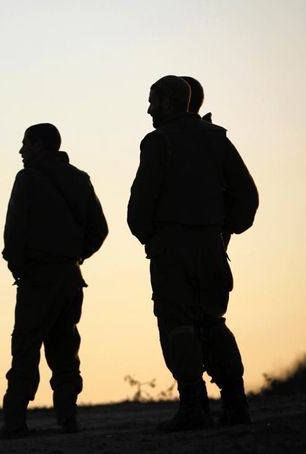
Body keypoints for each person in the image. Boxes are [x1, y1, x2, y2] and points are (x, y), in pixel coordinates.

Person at [128, 76, 259, 431]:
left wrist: (149, 235)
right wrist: (223, 230)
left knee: (178, 324)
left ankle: (193, 408)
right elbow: (247, 196)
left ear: (169, 103)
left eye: (153, 101)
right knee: (213, 321)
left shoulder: (157, 142)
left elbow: (141, 203)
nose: (149, 109)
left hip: (173, 247)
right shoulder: (216, 138)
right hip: (212, 247)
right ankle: (236, 404)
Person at [0, 123, 108, 438]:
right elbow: (99, 229)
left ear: (39, 146)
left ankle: (15, 421)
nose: (21, 151)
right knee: (64, 349)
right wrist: (75, 256)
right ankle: (68, 418)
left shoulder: (28, 178)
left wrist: (18, 265)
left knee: (25, 348)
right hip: (70, 278)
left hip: (38, 277)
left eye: (25, 144)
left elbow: (15, 229)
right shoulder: (79, 179)